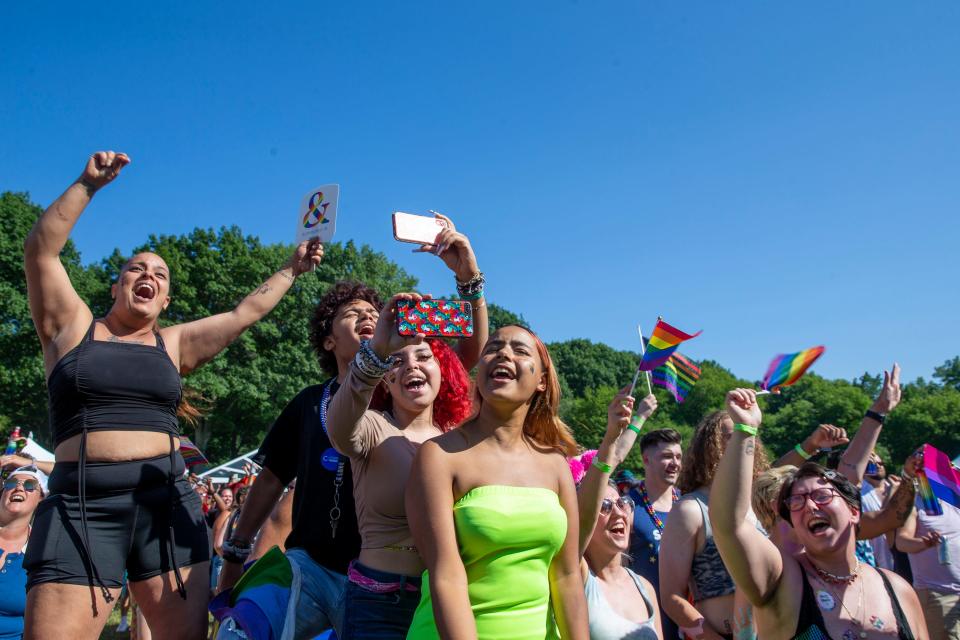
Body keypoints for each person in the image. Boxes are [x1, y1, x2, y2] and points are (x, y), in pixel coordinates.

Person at [22, 151, 322, 639]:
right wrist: (87, 185)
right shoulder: (70, 328)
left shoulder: (175, 342)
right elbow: (41, 252)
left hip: (168, 505)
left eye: (160, 276)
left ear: (165, 301)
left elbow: (245, 312)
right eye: (137, 269)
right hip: (81, 507)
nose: (148, 276)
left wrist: (291, 268)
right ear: (117, 286)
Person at [216, 213, 488, 640]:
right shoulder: (312, 404)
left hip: (398, 582)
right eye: (352, 314)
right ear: (329, 340)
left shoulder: (410, 388)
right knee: (244, 627)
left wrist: (468, 280)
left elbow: (469, 349)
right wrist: (235, 553)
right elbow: (270, 480)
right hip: (315, 569)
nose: (366, 316)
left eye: (374, 313)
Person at [405, 324, 589, 639]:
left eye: (519, 350)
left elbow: (567, 576)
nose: (502, 353)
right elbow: (446, 576)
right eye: (493, 348)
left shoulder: (557, 466)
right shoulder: (439, 455)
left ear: (542, 381)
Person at [711, 388, 927, 640]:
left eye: (822, 496)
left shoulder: (897, 589)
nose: (811, 506)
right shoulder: (782, 581)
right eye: (796, 501)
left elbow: (853, 471)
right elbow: (728, 524)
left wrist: (877, 413)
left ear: (854, 511)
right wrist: (745, 430)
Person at [327, 291, 479, 638]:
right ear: (386, 379)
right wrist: (378, 350)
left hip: (447, 599)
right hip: (379, 603)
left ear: (443, 371)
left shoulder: (460, 439)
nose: (412, 365)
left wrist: (471, 282)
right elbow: (337, 429)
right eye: (397, 361)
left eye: (424, 356)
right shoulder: (371, 426)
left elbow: (478, 345)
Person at [659, 409, 770, 639]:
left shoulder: (761, 504)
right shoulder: (690, 510)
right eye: (732, 434)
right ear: (709, 447)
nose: (741, 440)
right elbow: (671, 597)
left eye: (747, 433)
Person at [572, 388, 662, 640]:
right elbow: (614, 457)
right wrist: (613, 435)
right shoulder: (574, 577)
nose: (618, 513)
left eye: (622, 504)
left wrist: (640, 417)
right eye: (604, 507)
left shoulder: (645, 588)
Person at [896, 446, 960, 640]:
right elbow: (901, 542)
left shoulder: (954, 500)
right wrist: (924, 543)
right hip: (938, 595)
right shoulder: (915, 501)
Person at [626, 428, 683, 640]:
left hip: (694, 621)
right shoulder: (628, 506)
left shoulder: (687, 503)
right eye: (667, 456)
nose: (675, 463)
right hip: (649, 622)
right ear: (647, 460)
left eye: (678, 457)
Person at [0, 466, 46, 640]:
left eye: (29, 485)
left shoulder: (42, 552)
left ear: (41, 498)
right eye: (12, 482)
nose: (19, 488)